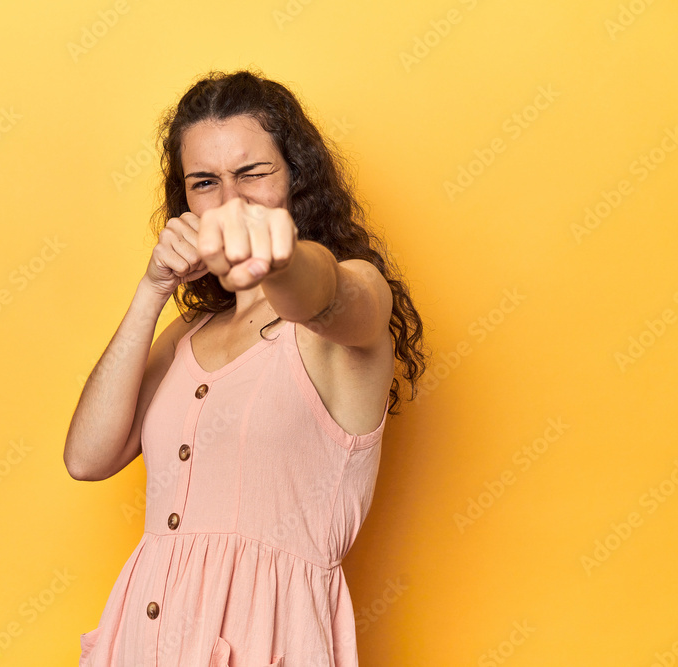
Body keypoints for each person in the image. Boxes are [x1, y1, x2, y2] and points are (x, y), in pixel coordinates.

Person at [65, 68, 428, 666]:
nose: (229, 201)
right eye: (204, 182)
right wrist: (152, 289)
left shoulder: (348, 308)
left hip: (271, 644)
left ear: (297, 181)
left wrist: (275, 257)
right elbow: (86, 458)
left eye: (253, 174)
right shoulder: (188, 334)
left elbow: (325, 292)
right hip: (139, 643)